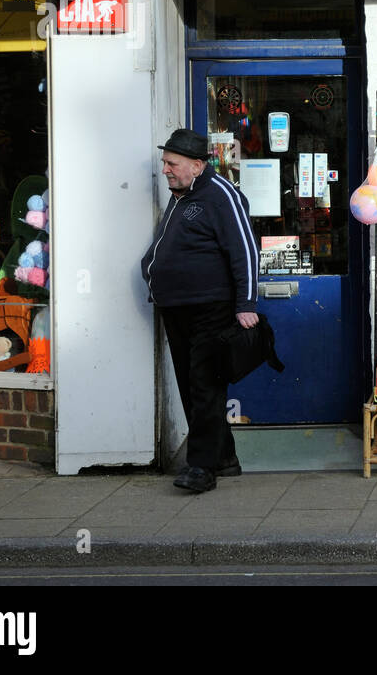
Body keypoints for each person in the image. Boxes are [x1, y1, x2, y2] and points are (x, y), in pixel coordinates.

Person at [140, 129, 259, 493]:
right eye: (164, 163)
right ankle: (224, 458)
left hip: (211, 308)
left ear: (196, 165)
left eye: (172, 164)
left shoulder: (220, 194)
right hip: (176, 309)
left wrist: (246, 304)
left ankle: (201, 468)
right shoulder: (181, 196)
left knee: (204, 386)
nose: (165, 170)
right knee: (192, 387)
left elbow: (245, 250)